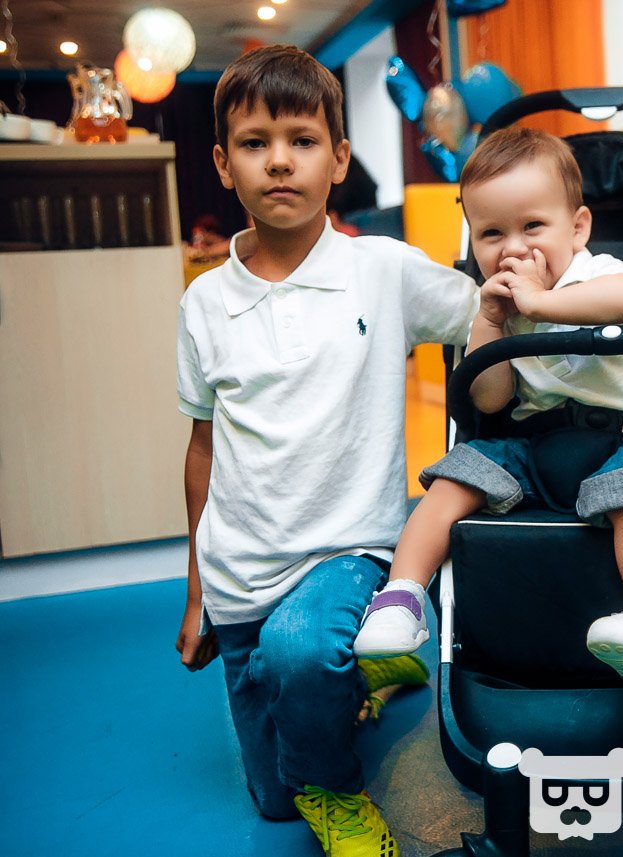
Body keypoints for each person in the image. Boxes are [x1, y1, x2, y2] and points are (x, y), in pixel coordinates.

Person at [175, 45, 482, 856]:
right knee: (276, 800)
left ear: (339, 158)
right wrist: (197, 590)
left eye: (303, 140)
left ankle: (337, 779)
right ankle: (361, 677)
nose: (279, 160)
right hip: (241, 575)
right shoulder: (203, 302)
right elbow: (202, 448)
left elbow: (498, 316)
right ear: (223, 164)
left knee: (302, 656)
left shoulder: (382, 269)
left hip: (347, 551)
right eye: (254, 142)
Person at [354, 127, 623, 688]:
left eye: (532, 226)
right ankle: (401, 597)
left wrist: (542, 302)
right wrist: (489, 322)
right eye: (491, 233)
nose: (512, 248)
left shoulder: (597, 273)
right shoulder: (494, 304)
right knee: (453, 479)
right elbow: (490, 398)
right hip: (534, 443)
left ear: (577, 228)